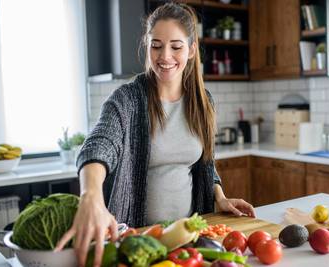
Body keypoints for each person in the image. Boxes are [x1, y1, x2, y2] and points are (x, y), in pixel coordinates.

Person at [55, 3, 255, 267]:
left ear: (192, 49)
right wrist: (90, 195)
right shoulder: (126, 100)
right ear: (147, 45)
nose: (165, 56)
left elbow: (205, 163)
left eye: (176, 46)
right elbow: (98, 145)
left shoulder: (203, 101)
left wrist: (219, 196)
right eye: (156, 45)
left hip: (188, 240)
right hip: (137, 241)